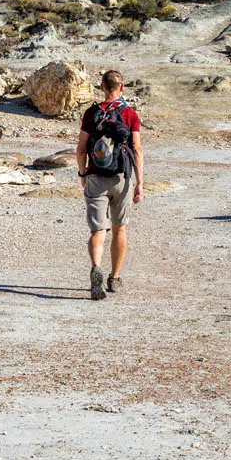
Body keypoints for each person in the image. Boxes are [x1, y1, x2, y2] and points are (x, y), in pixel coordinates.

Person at [75, 69, 144, 300]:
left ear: (102, 87)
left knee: (97, 230)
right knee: (119, 228)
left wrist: (82, 173)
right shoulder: (130, 114)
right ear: (122, 87)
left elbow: (82, 148)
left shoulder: (91, 113)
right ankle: (114, 278)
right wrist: (139, 183)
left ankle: (96, 267)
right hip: (121, 178)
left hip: (95, 177)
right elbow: (137, 149)